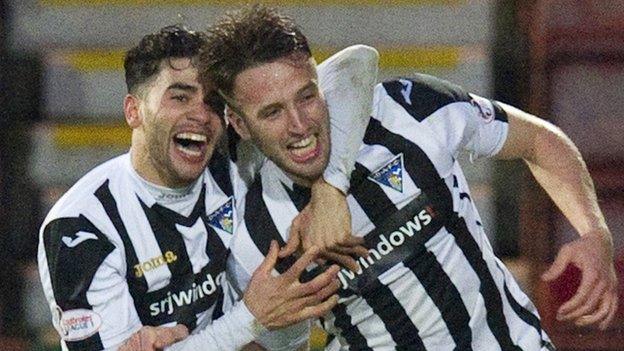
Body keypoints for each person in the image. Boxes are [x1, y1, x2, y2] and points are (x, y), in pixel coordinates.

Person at [199, 5, 619, 350]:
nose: (299, 125)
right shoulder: (252, 230)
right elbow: (279, 342)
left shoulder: (411, 110)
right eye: (271, 112)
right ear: (237, 122)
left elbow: (540, 142)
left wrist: (594, 233)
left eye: (307, 97)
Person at [37, 24, 379, 351]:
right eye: (180, 98)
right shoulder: (81, 227)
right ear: (133, 111)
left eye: (213, 103)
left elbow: (357, 63)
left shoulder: (235, 156)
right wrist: (250, 318)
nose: (201, 115)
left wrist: (330, 188)